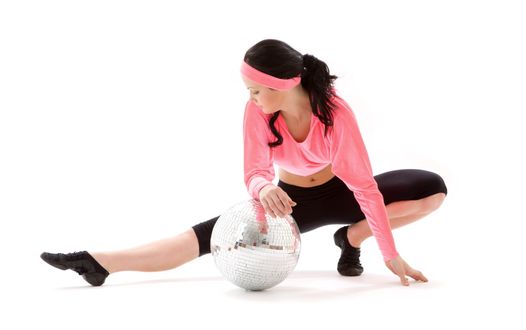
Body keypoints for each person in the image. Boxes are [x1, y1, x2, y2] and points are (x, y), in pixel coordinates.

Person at [41, 39, 448, 287]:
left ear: (284, 84)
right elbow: (254, 171)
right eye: (248, 90)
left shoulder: (335, 112)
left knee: (431, 188)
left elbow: (363, 186)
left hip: (343, 196)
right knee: (202, 238)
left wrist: (389, 253)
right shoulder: (258, 112)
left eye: (256, 89)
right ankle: (102, 263)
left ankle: (351, 239)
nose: (251, 97)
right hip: (288, 203)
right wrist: (264, 188)